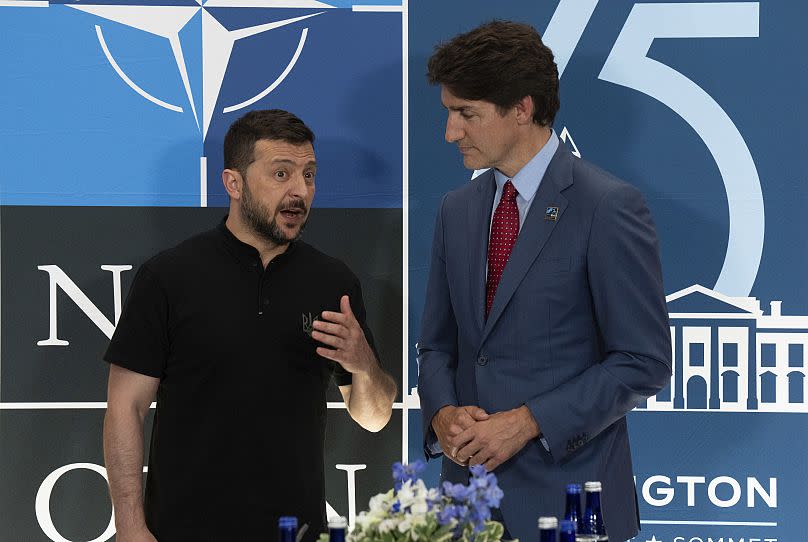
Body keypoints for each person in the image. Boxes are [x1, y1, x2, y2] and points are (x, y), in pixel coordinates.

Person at [417, 21, 672, 542]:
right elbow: (437, 345)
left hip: (572, 503)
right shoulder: (456, 209)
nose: (450, 132)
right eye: (449, 112)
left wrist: (528, 421)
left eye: (466, 113)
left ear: (522, 108)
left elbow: (642, 360)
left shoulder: (607, 206)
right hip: (465, 507)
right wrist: (441, 413)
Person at [103, 109, 397, 542]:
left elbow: (373, 418)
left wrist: (365, 365)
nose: (300, 191)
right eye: (282, 174)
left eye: (309, 175)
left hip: (294, 531)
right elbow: (125, 409)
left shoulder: (333, 282)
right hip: (182, 530)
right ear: (233, 183)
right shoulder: (168, 277)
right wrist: (129, 525)